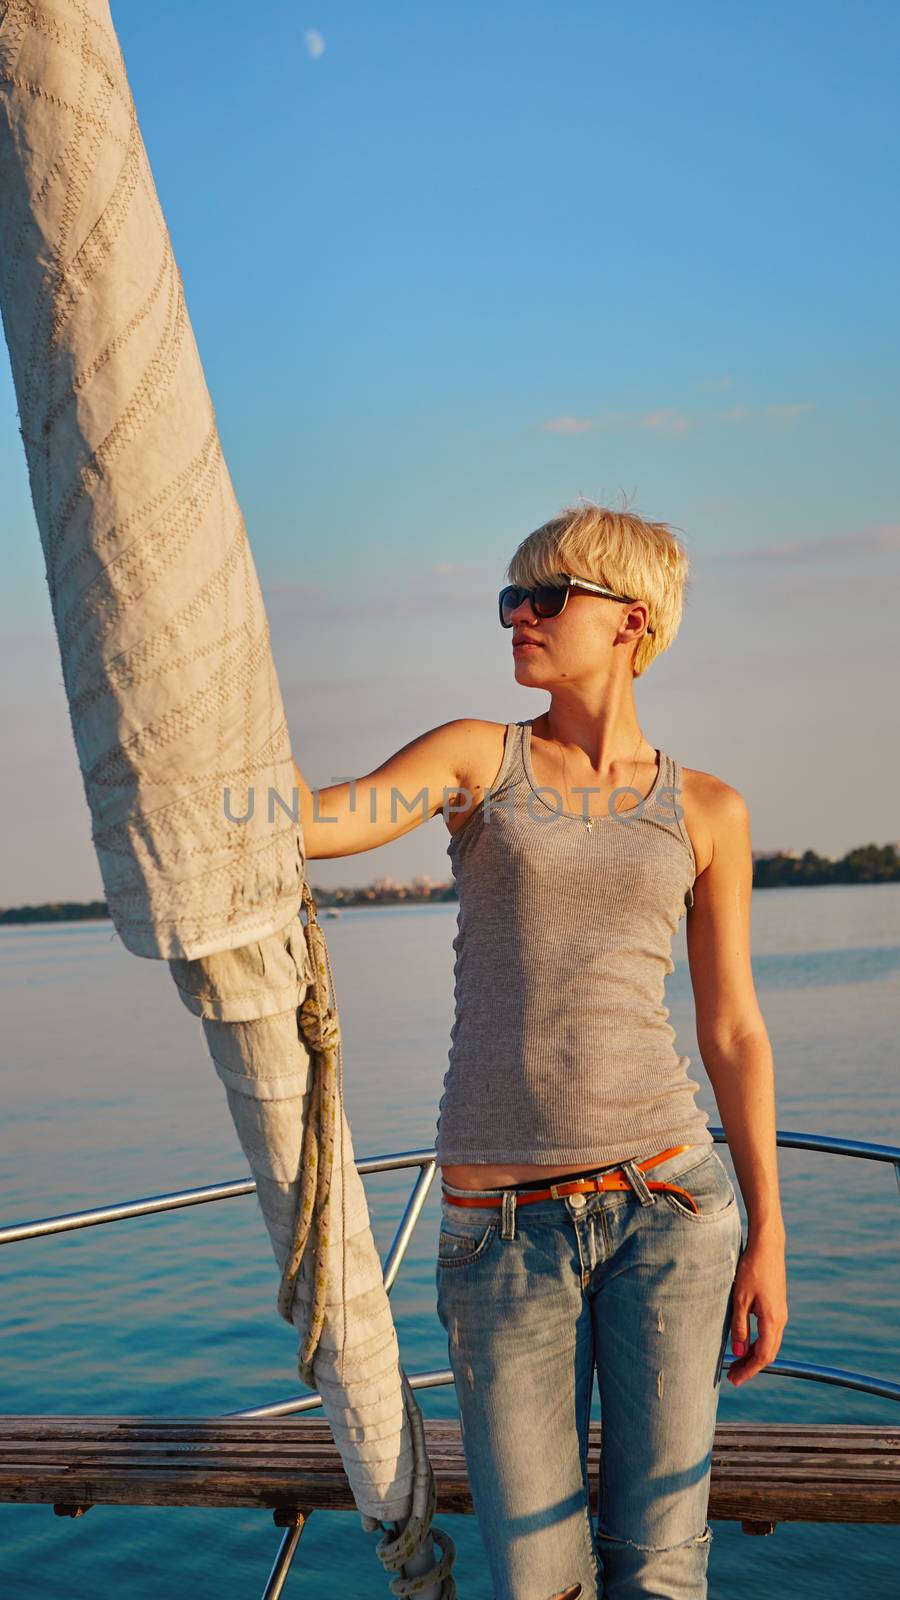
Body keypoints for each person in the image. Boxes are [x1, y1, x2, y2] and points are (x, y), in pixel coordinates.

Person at [292, 502, 788, 1600]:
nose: (519, 614)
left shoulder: (708, 808)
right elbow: (318, 823)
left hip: (671, 1207)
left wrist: (769, 1232)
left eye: (547, 595)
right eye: (510, 597)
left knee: (658, 1570)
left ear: (631, 619)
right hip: (499, 1239)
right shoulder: (480, 758)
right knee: (538, 1582)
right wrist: (202, 762)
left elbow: (734, 1028)